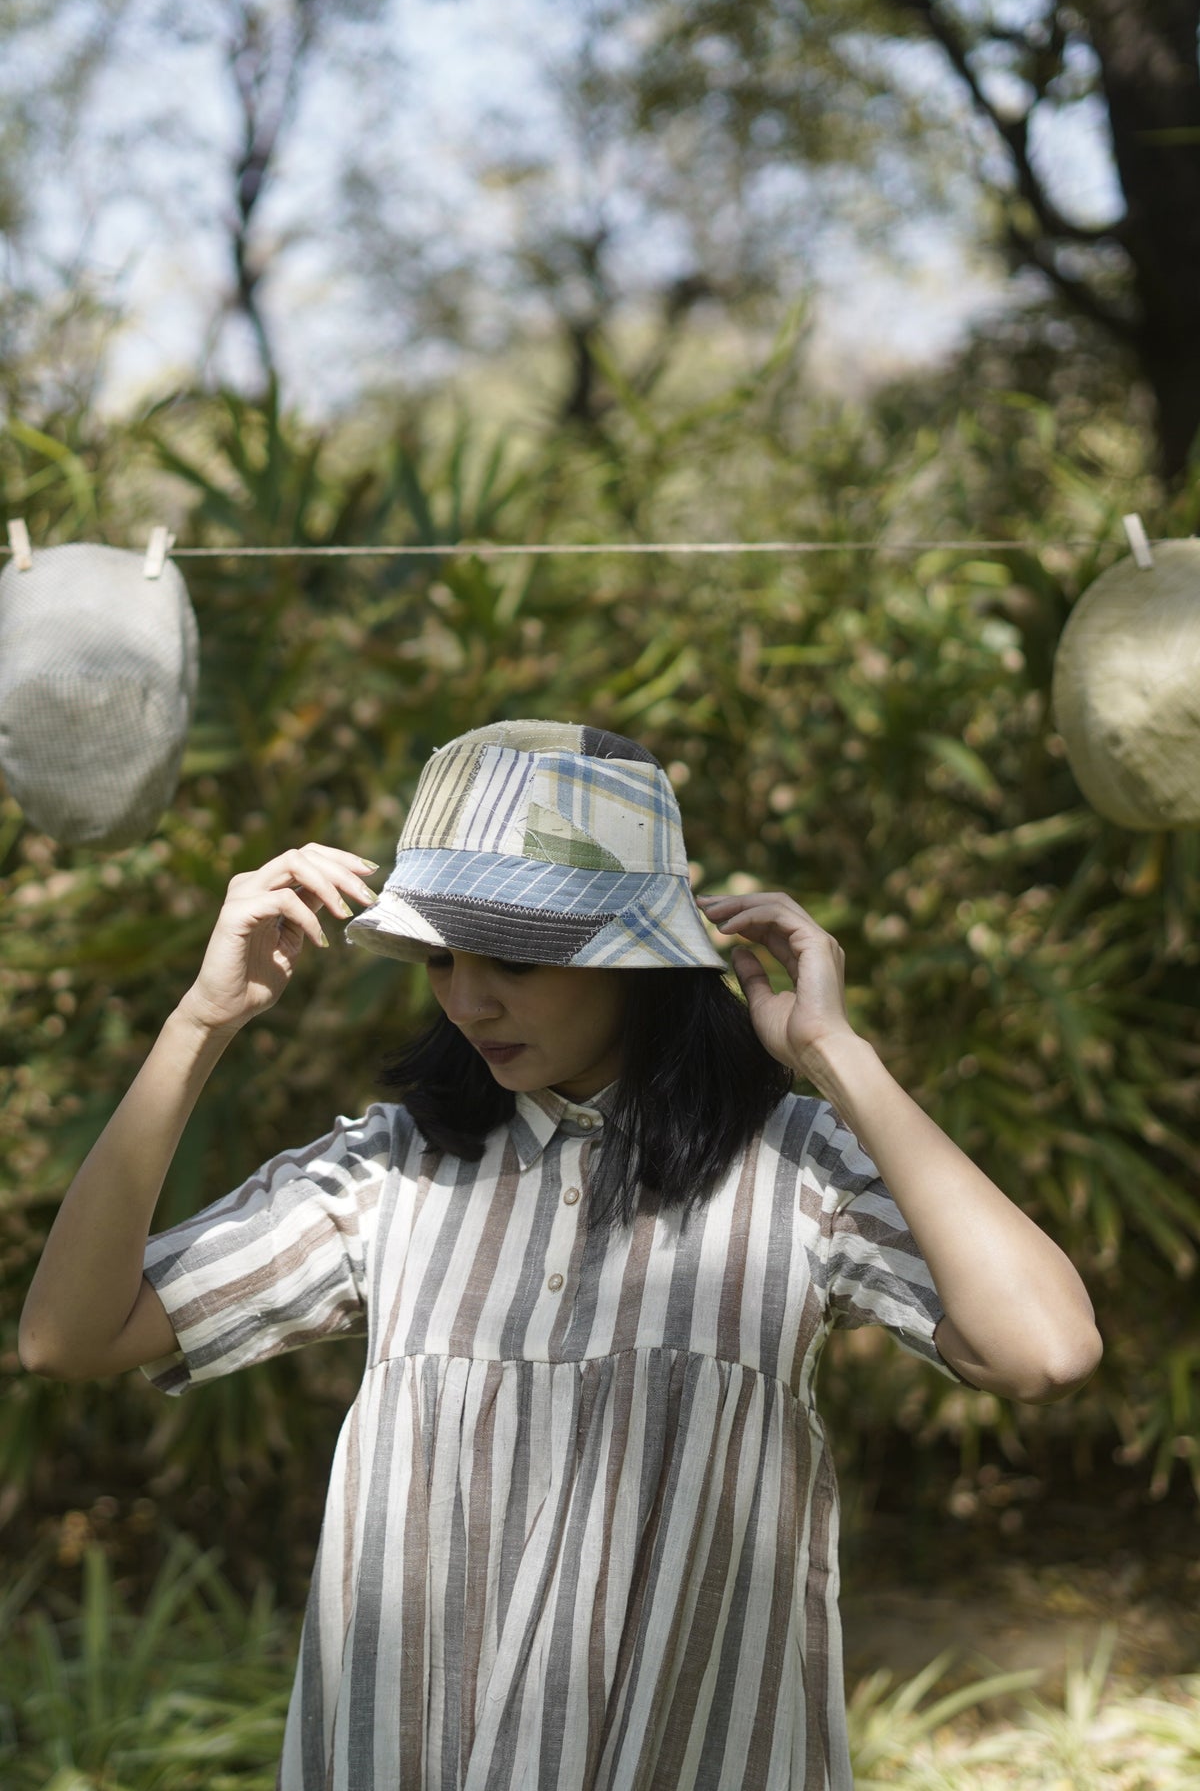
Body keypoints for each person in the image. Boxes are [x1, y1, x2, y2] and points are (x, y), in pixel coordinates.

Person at [19, 719, 1102, 1791]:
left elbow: (1044, 1348)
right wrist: (204, 1021)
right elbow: (69, 1337)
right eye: (441, 956)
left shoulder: (797, 1172)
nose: (467, 997)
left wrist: (837, 1055)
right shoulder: (389, 1175)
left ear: (641, 961)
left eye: (516, 960)